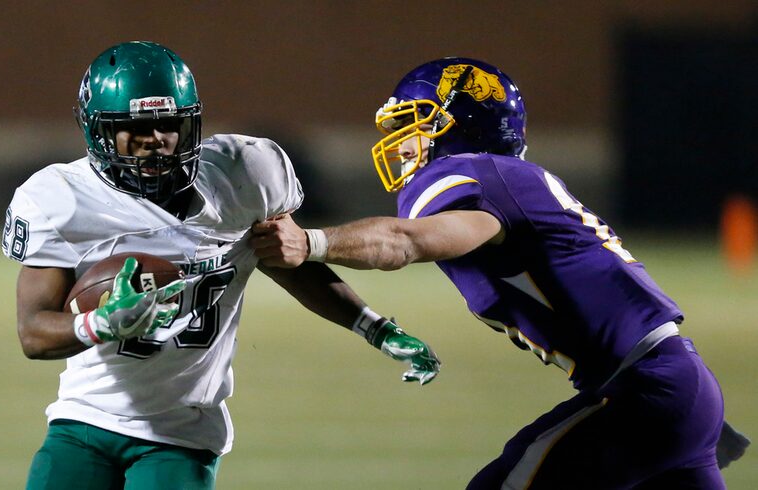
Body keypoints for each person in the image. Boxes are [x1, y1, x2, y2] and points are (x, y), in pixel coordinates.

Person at [251, 57, 750, 488]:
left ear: (461, 125)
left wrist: (312, 242)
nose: (401, 145)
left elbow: (406, 241)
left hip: (644, 392)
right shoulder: (509, 179)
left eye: (415, 125)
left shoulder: (477, 176)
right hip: (677, 386)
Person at [1, 41, 440, 490]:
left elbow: (286, 259)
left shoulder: (243, 174)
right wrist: (103, 324)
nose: (156, 142)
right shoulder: (60, 199)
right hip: (83, 423)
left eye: (169, 125)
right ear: (98, 132)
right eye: (134, 129)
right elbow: (33, 332)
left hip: (181, 432)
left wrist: (374, 327)